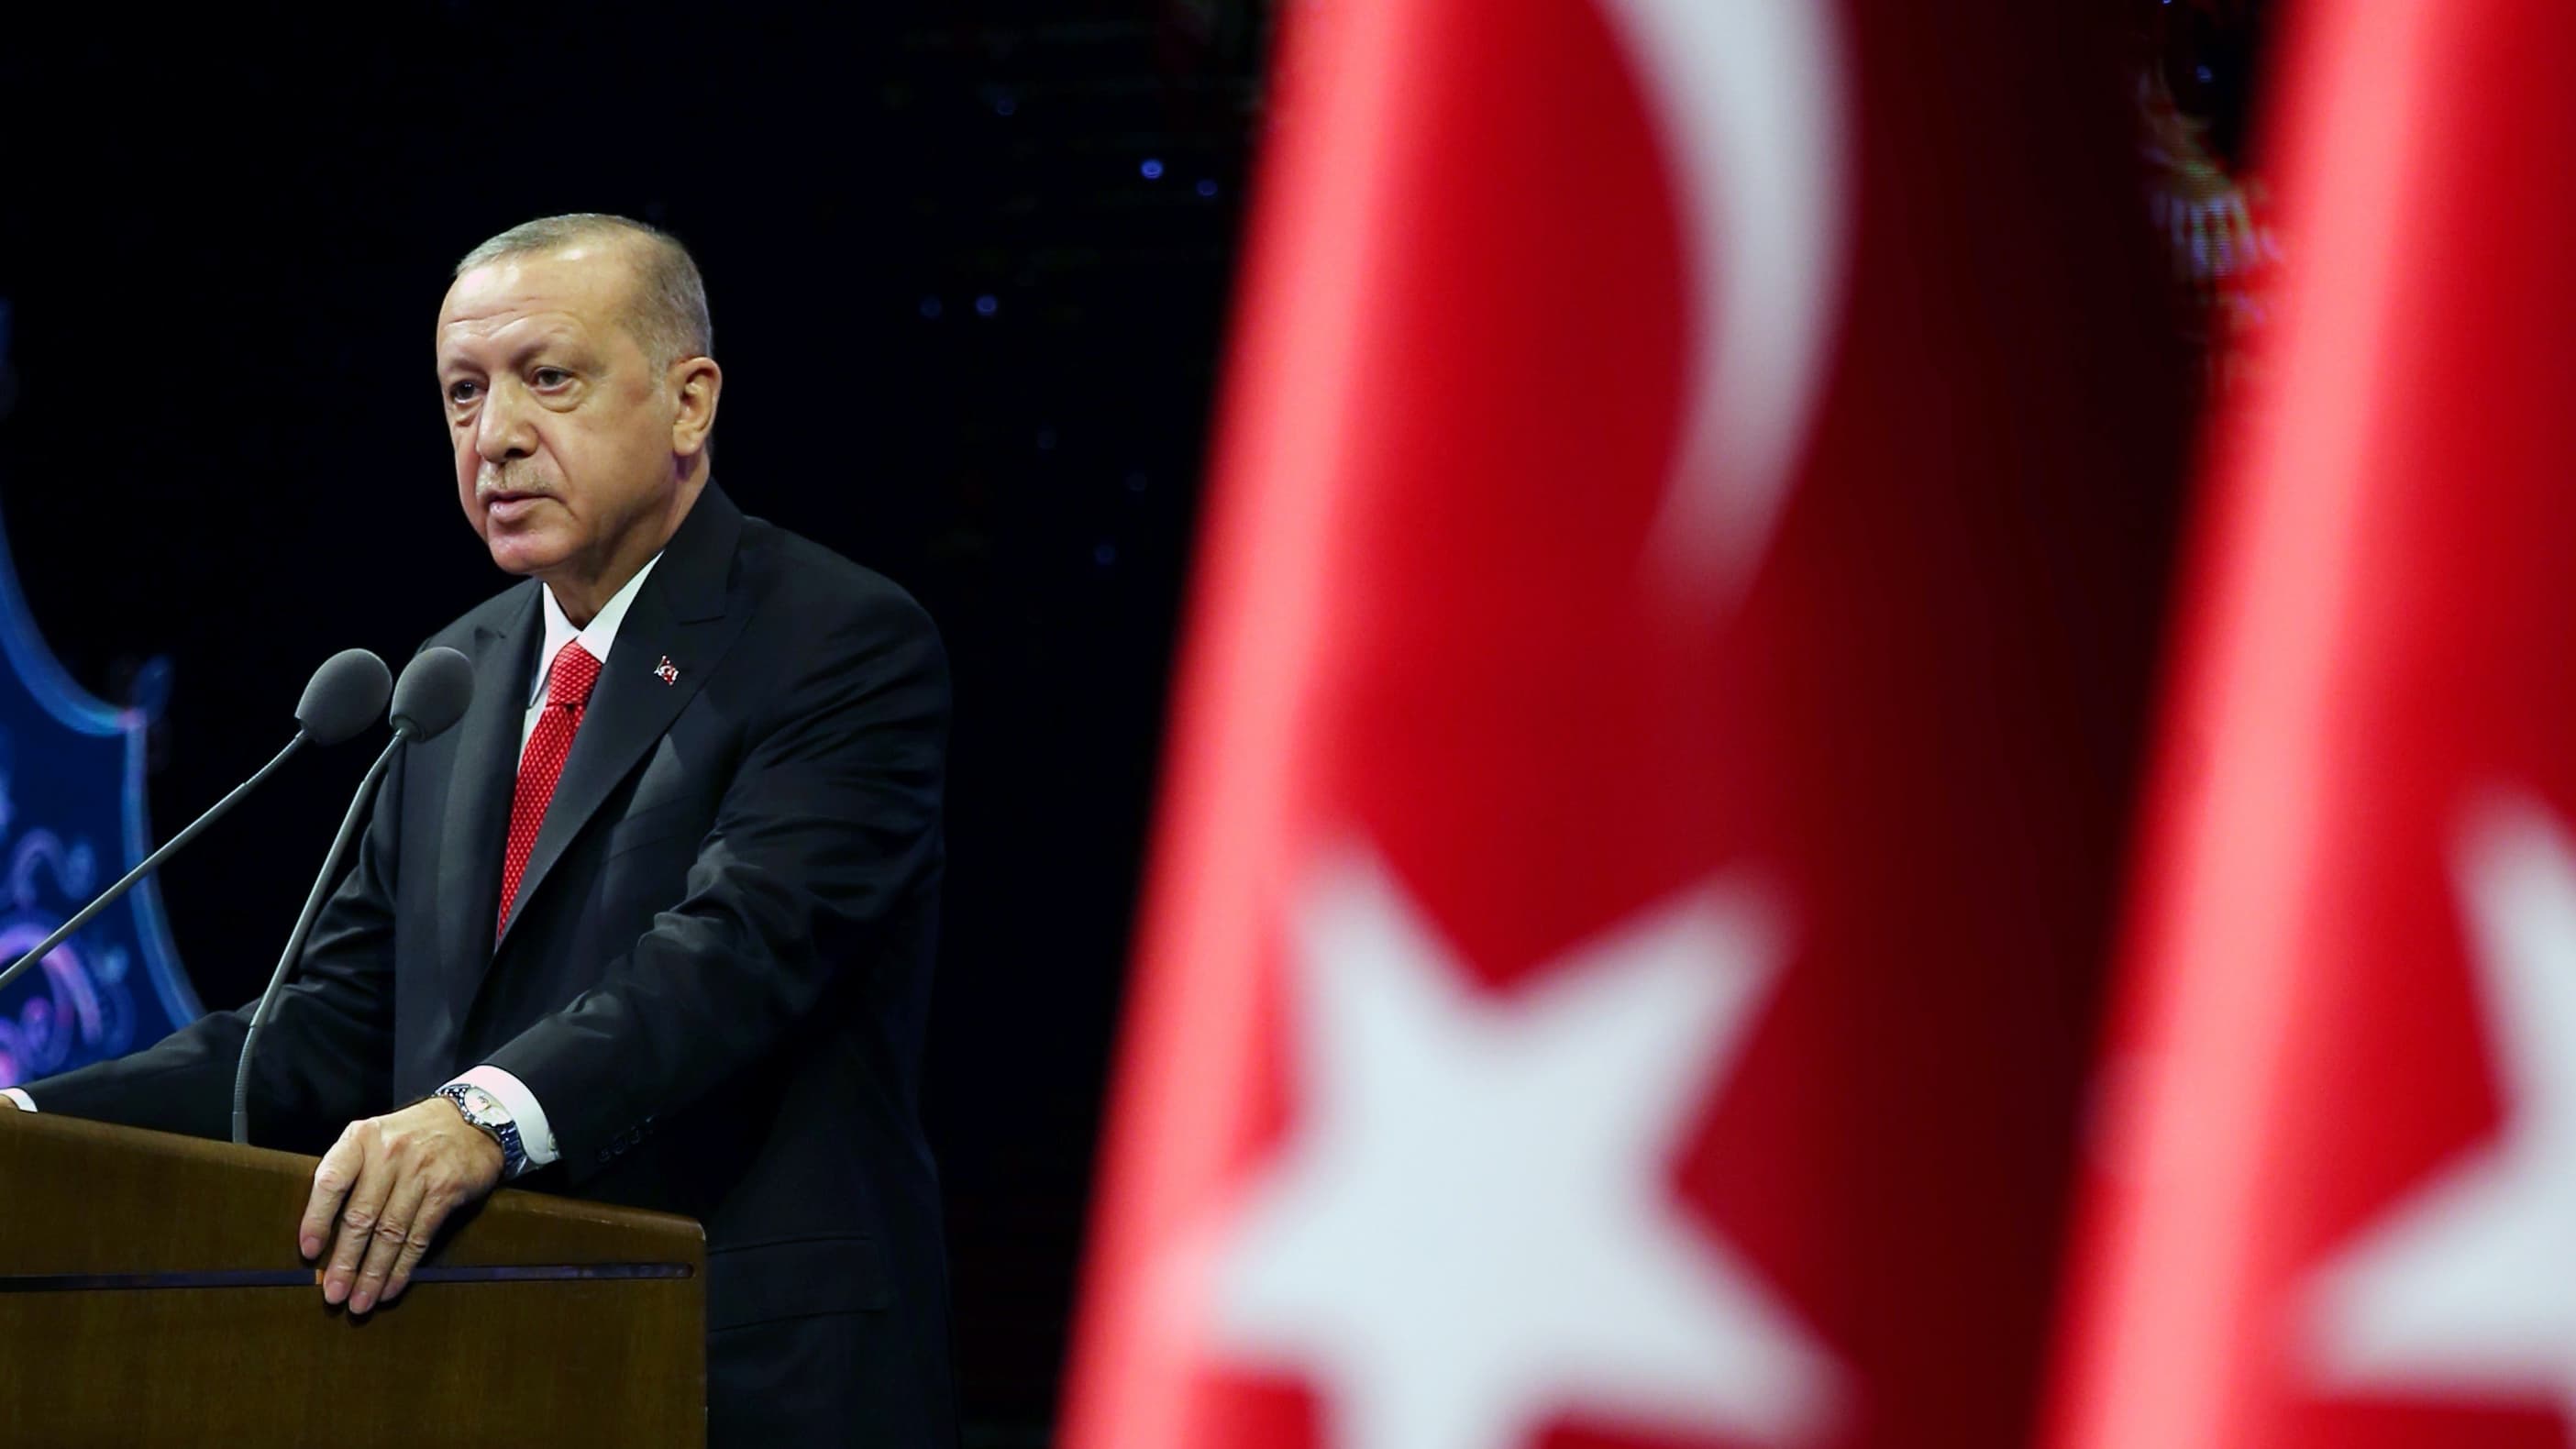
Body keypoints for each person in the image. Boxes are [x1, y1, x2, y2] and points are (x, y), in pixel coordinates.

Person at [0, 214, 956, 1446]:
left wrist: (483, 1115)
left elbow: (734, 953)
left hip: (745, 1368)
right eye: (462, 393)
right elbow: (324, 1030)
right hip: (481, 1366)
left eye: (547, 378)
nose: (494, 434)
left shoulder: (836, 640)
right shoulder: (450, 676)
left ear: (688, 402)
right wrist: (33, 1126)